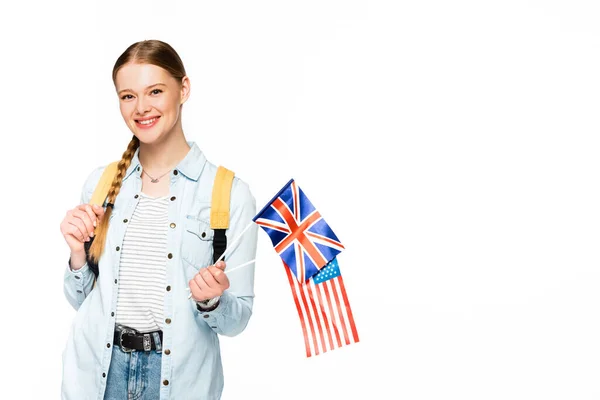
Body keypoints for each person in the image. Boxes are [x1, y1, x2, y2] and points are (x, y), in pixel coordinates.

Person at [60, 39, 258, 400]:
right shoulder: (101, 184)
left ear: (183, 89)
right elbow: (81, 301)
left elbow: (238, 319)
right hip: (97, 375)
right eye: (128, 96)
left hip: (179, 382)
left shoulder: (228, 193)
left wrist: (212, 300)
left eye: (155, 91)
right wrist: (77, 255)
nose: (142, 107)